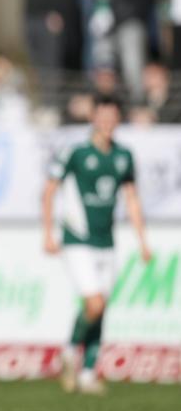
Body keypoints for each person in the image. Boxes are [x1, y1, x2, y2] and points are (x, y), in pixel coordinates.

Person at [42, 95, 151, 394]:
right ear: (94, 119)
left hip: (107, 242)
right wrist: (48, 233)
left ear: (117, 120)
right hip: (78, 239)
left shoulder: (123, 156)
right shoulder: (75, 153)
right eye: (102, 117)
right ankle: (68, 351)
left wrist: (143, 241)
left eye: (112, 118)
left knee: (101, 307)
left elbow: (131, 198)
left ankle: (88, 372)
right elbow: (50, 190)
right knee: (95, 303)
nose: (107, 123)